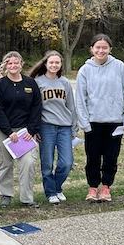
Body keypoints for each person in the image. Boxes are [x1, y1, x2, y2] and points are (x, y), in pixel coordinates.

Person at [75, 34, 124, 202]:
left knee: (111, 156)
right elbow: (80, 98)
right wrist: (84, 123)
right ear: (92, 49)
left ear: (110, 49)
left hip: (115, 122)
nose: (101, 50)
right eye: (97, 47)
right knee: (92, 157)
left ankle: (106, 186)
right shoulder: (85, 70)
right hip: (93, 122)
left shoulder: (119, 67)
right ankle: (93, 187)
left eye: (104, 47)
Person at [0, 52, 43, 208]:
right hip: (3, 132)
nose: (13, 66)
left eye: (16, 63)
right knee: (5, 164)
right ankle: (6, 195)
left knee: (28, 163)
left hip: (25, 133)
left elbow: (36, 107)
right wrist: (9, 132)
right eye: (9, 63)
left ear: (21, 64)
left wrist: (31, 130)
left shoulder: (30, 83)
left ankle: (27, 198)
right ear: (5, 65)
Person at [28, 50, 77, 205]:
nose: (54, 65)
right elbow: (33, 108)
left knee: (66, 162)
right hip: (46, 126)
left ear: (61, 64)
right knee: (47, 162)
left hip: (64, 127)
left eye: (57, 62)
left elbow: (71, 107)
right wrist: (35, 129)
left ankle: (56, 187)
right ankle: (51, 193)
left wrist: (74, 128)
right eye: (51, 62)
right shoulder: (37, 82)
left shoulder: (64, 83)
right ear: (45, 64)